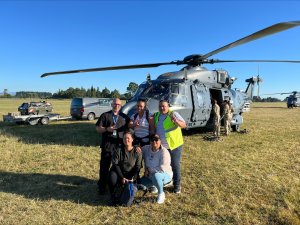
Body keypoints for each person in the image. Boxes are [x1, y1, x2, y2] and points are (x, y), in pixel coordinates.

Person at [95, 98, 130, 194]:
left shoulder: (124, 117)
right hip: (108, 146)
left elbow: (128, 131)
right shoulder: (105, 115)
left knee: (119, 167)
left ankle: (118, 184)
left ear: (121, 105)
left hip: (119, 147)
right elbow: (98, 128)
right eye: (115, 104)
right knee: (104, 167)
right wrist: (107, 129)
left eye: (118, 104)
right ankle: (102, 186)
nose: (116, 106)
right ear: (111, 105)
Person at [153, 100, 186, 194]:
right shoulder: (157, 115)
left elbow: (184, 125)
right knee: (164, 165)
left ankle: (177, 186)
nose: (162, 108)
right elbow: (156, 128)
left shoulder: (173, 114)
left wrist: (176, 121)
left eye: (164, 106)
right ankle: (167, 181)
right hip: (163, 146)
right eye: (160, 106)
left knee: (175, 165)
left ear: (168, 106)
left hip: (174, 145)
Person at [108, 131, 142, 205]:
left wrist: (134, 177)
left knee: (132, 186)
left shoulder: (137, 151)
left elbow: (138, 166)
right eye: (124, 138)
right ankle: (113, 197)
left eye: (128, 138)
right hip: (119, 172)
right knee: (112, 176)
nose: (126, 140)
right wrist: (122, 177)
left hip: (130, 173)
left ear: (132, 139)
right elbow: (115, 165)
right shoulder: (118, 149)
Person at [140, 134, 173, 204]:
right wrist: (137, 148)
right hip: (149, 176)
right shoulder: (146, 148)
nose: (154, 141)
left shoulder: (164, 152)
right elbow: (138, 151)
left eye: (156, 139)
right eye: (152, 140)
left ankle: (161, 193)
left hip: (164, 174)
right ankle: (154, 185)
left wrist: (149, 170)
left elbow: (162, 168)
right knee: (140, 184)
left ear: (160, 141)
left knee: (156, 176)